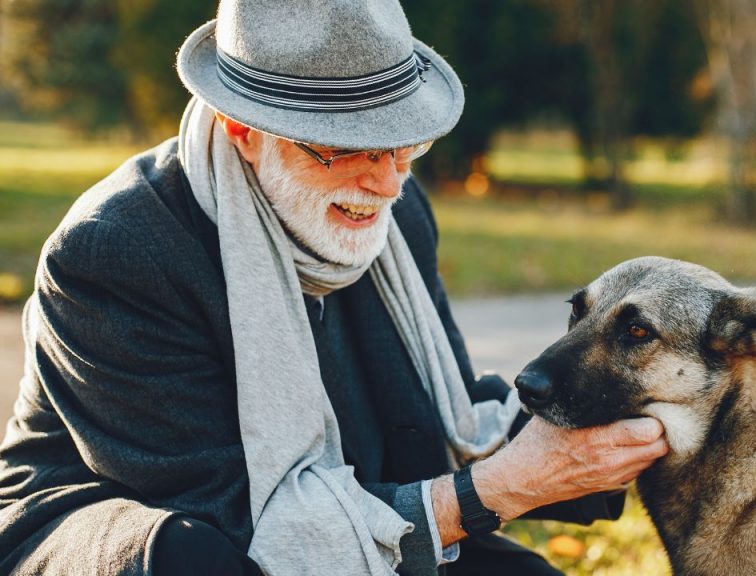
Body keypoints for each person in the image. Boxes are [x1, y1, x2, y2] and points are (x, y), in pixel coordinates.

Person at [0, 0, 669, 574]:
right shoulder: (115, 251)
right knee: (191, 560)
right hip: (146, 534)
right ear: (242, 129)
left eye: (403, 143)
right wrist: (493, 491)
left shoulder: (398, 212)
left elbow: (438, 422)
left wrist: (608, 426)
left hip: (355, 505)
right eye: (345, 148)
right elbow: (237, 522)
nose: (385, 181)